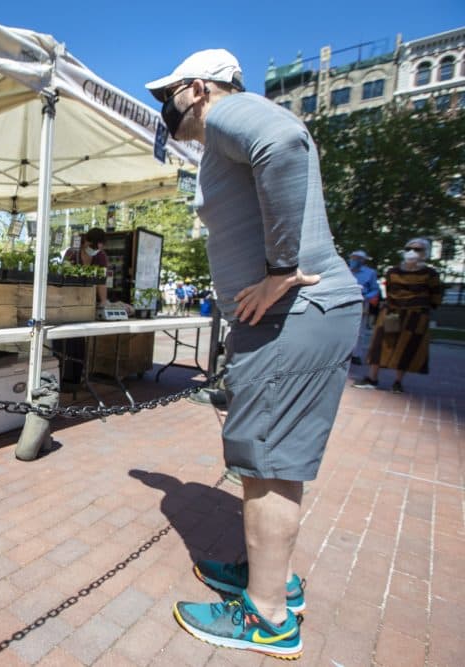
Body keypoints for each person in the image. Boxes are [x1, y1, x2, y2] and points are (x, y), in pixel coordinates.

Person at [144, 49, 362, 659]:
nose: (167, 110)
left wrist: (280, 272)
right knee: (273, 461)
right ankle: (271, 581)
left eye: (168, 96)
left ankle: (267, 617)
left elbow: (286, 144)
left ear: (195, 88)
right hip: (291, 320)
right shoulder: (225, 134)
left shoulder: (230, 112)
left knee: (266, 463)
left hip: (293, 314)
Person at [353, 238, 443, 393]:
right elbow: (390, 293)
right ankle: (372, 378)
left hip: (415, 316)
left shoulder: (430, 274)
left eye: (418, 249)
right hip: (392, 312)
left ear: (425, 253)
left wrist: (421, 307)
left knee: (407, 347)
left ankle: (398, 382)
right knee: (381, 344)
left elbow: (436, 296)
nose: (412, 252)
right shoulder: (393, 272)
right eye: (409, 248)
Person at [348, 249, 381, 365]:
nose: (354, 260)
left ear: (363, 260)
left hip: (361, 302)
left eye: (357, 258)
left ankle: (356, 354)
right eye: (353, 257)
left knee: (359, 331)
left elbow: (375, 289)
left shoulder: (370, 273)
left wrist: (365, 296)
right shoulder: (345, 271)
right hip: (344, 301)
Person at [63, 227, 109, 304]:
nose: (94, 251)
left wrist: (103, 302)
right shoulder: (73, 253)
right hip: (71, 296)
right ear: (86, 241)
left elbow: (101, 282)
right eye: (93, 247)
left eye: (98, 249)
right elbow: (64, 274)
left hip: (91, 299)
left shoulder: (101, 256)